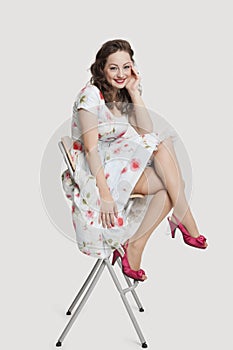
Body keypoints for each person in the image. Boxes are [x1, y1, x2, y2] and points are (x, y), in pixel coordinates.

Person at [62, 39, 207, 282]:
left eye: (126, 67)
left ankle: (136, 246)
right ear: (102, 69)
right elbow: (90, 149)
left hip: (116, 160)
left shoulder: (122, 91)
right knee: (172, 178)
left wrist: (133, 90)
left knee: (167, 159)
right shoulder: (90, 96)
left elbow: (145, 129)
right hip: (95, 169)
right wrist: (106, 195)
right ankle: (177, 221)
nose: (121, 74)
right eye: (114, 68)